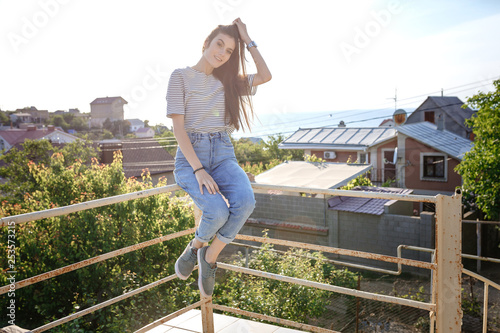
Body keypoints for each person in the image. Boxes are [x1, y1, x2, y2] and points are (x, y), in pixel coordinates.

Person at [166, 18, 272, 297]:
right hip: (191, 157)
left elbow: (265, 75)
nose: (222, 53)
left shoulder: (230, 82)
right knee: (217, 211)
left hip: (224, 153)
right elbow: (179, 128)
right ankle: (194, 247)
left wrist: (248, 39)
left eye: (228, 51)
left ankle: (208, 257)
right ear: (207, 43)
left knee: (246, 202)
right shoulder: (180, 76)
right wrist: (199, 169)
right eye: (219, 44)